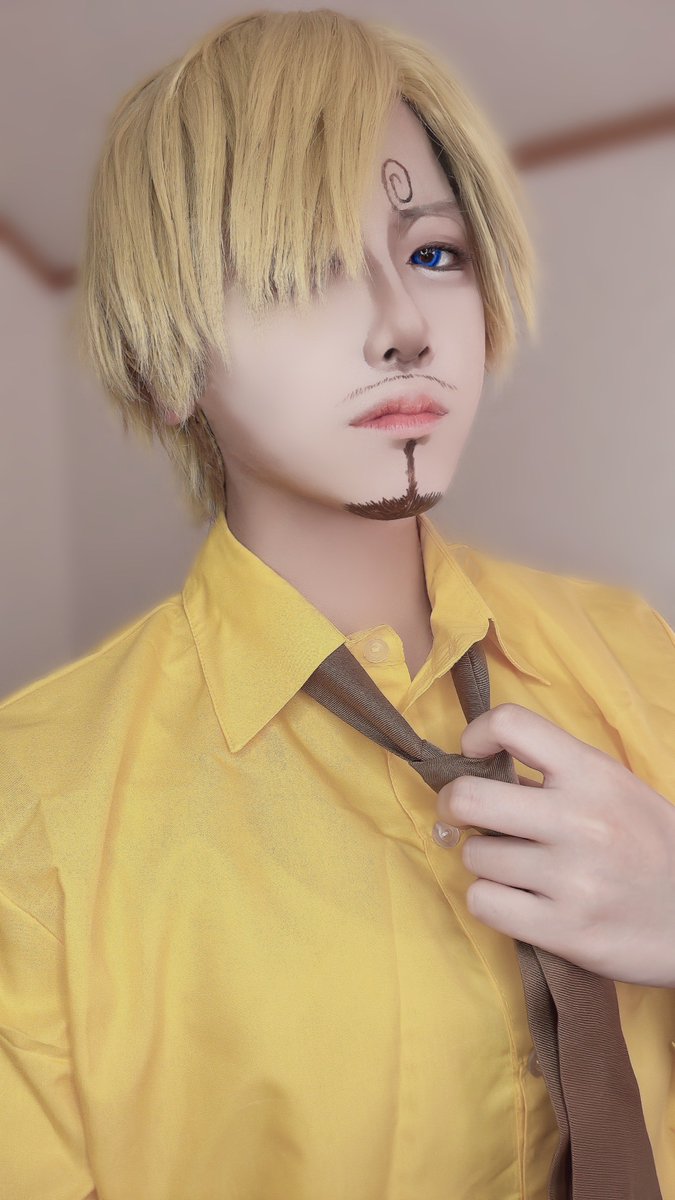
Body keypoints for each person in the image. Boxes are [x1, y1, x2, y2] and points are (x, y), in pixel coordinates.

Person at [1, 9, 674, 1199]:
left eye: (435, 254)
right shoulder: (34, 813)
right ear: (168, 367)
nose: (404, 325)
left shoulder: (633, 651)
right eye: (296, 268)